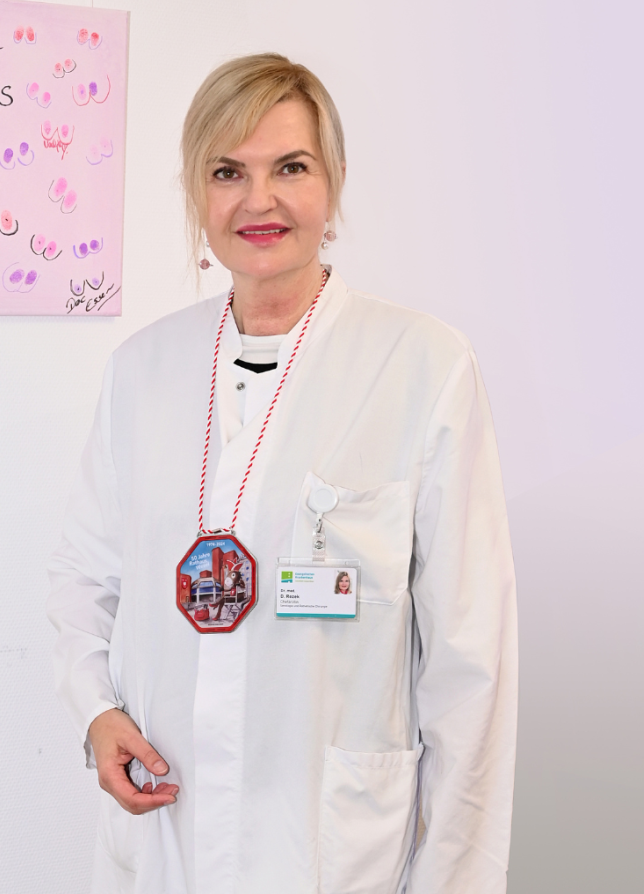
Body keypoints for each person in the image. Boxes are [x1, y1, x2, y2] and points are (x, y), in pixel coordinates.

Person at [47, 53, 517, 894]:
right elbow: (85, 576)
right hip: (168, 826)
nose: (257, 200)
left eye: (289, 168)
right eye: (227, 171)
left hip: (331, 847)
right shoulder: (142, 369)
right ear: (196, 193)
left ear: (333, 182)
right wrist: (96, 708)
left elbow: (469, 659)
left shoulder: (421, 365)